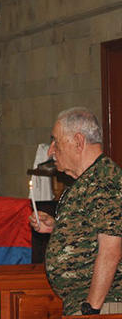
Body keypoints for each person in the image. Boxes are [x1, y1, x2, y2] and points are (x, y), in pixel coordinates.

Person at [29, 107, 122, 316]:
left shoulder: (104, 180)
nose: (50, 150)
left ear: (78, 142)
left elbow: (111, 251)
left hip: (104, 304)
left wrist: (91, 309)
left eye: (56, 141)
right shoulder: (89, 180)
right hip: (87, 302)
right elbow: (92, 235)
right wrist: (57, 229)